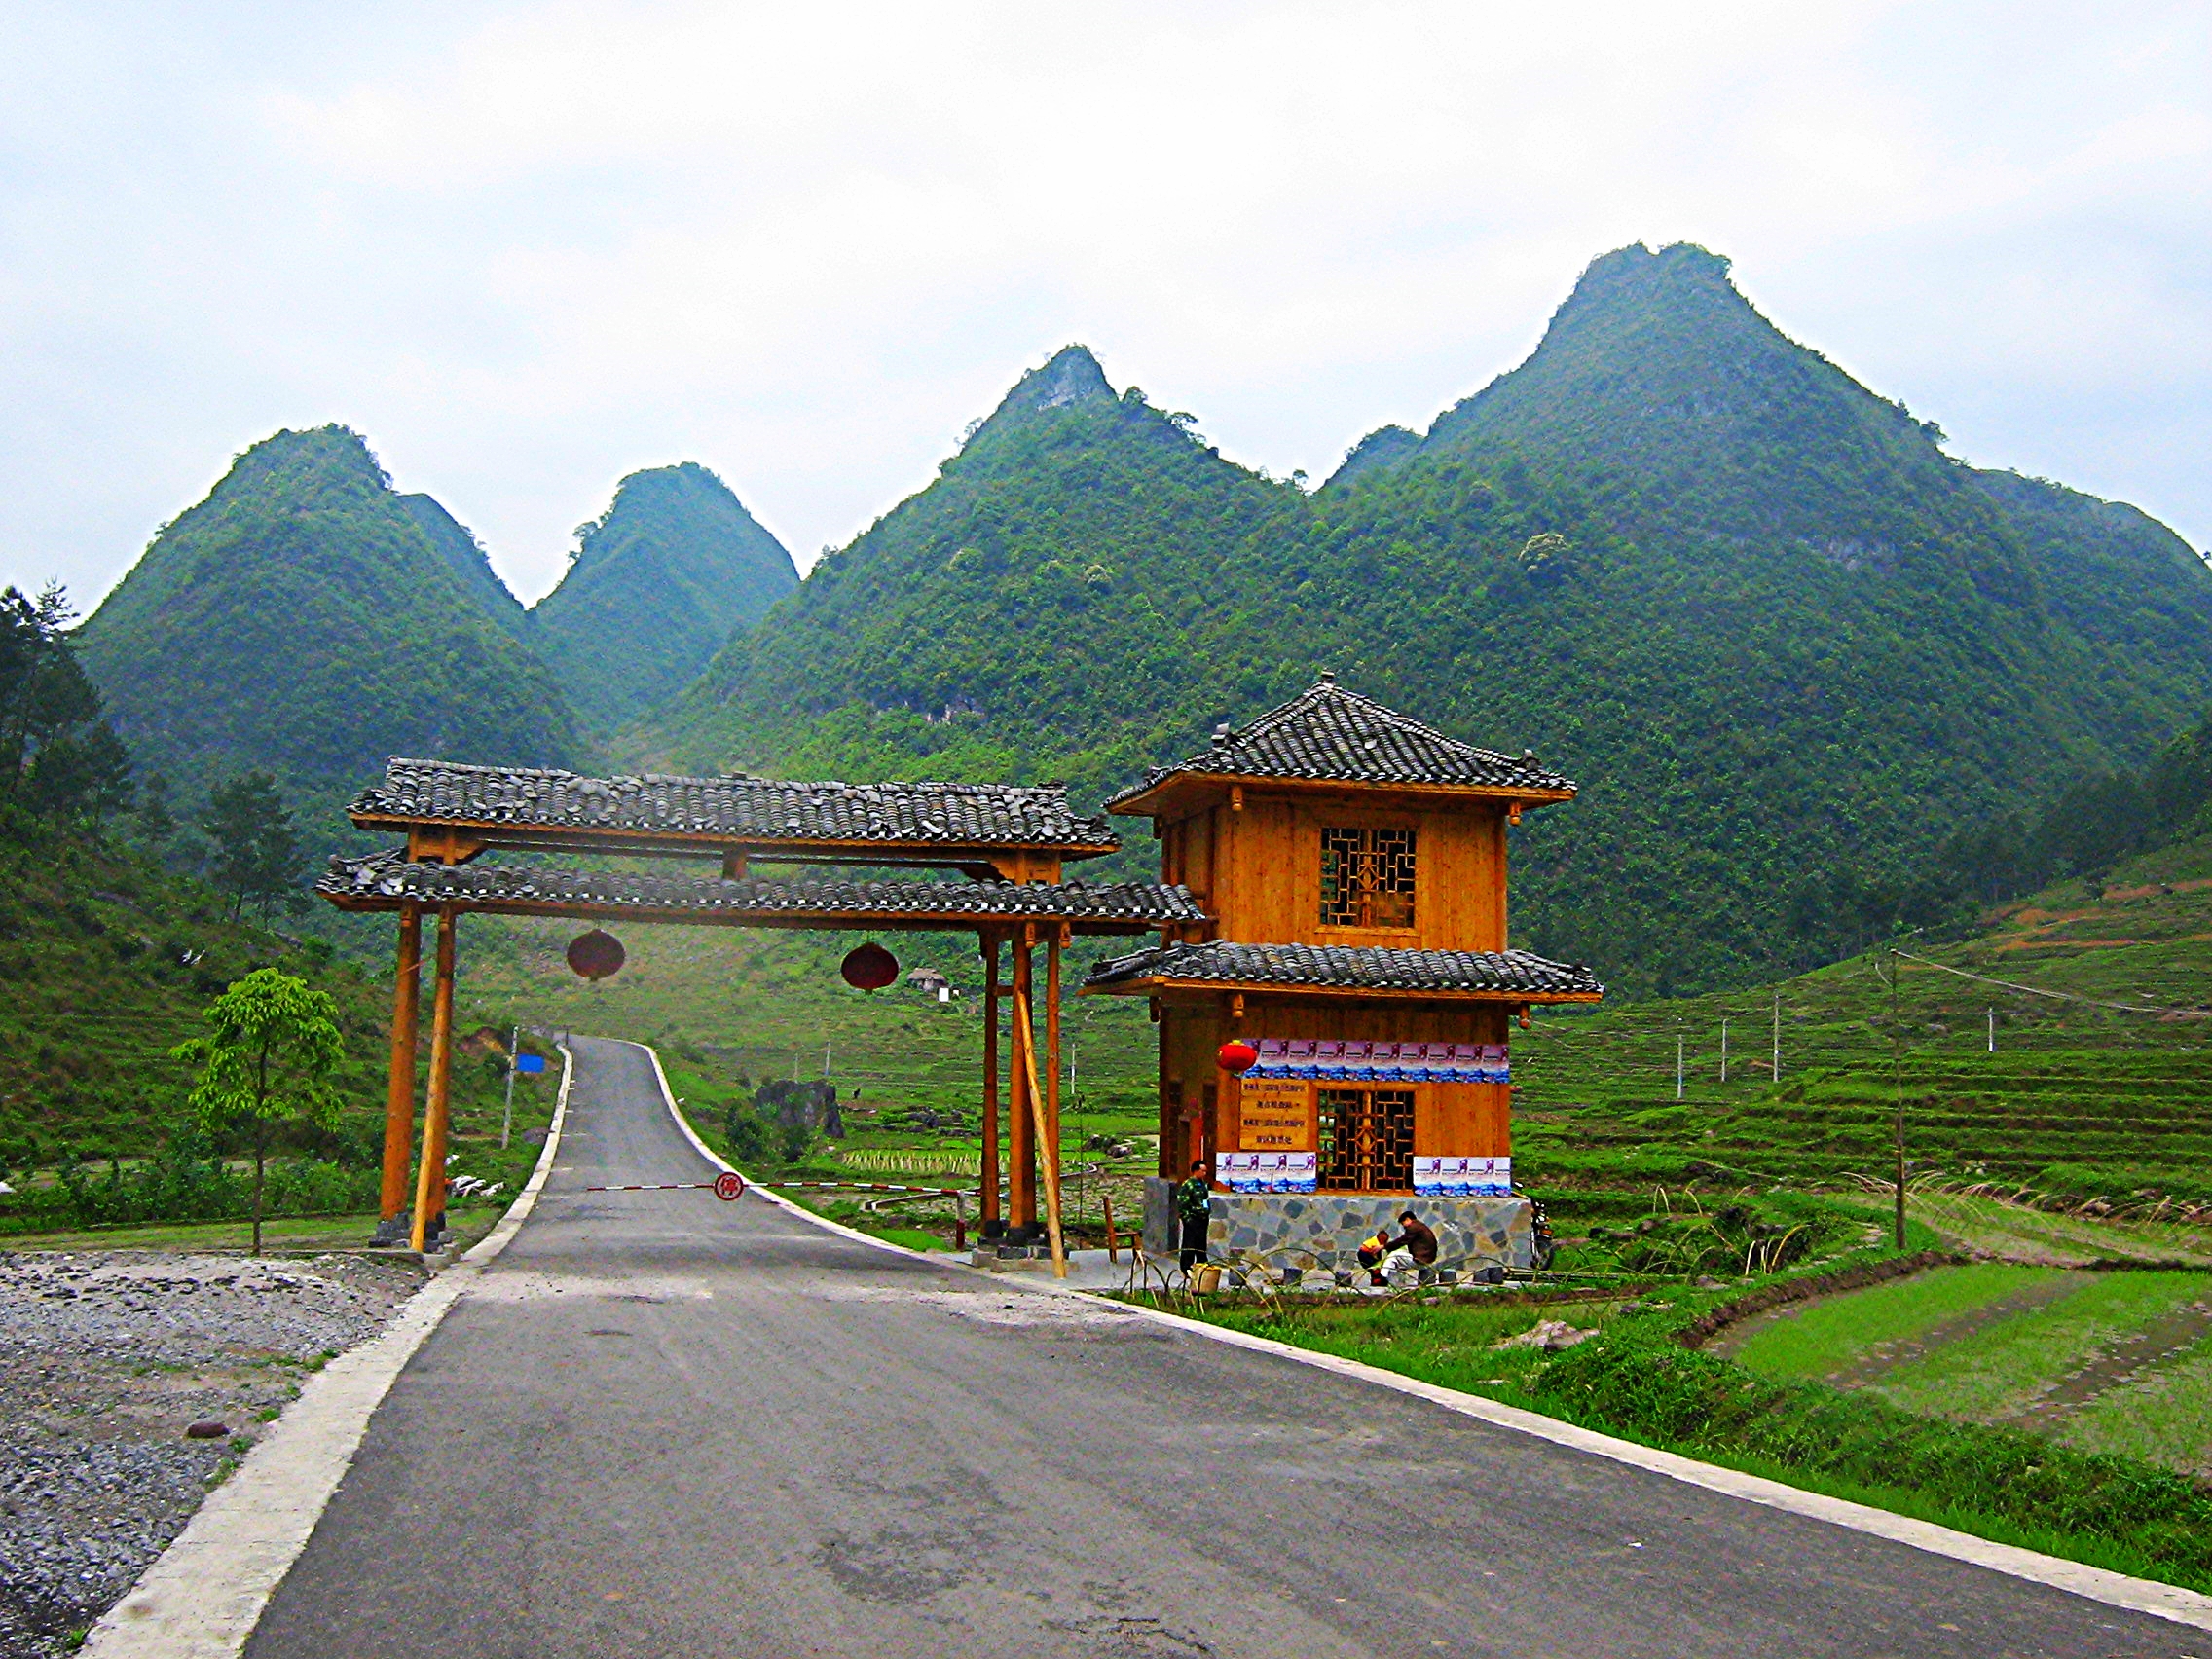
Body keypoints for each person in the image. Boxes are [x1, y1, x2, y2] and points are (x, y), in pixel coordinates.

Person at [1373, 1210, 1439, 1285]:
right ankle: (1393, 1282)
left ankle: (1381, 1278)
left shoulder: (1413, 1227)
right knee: (1396, 1260)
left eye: (1402, 1223)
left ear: (1407, 1219)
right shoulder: (1421, 1226)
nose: (1403, 1226)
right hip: (1426, 1260)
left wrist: (1383, 1246)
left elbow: (1402, 1241)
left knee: (1393, 1256)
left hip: (1420, 1261)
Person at [1175, 1158, 1212, 1272]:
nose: (1204, 1173)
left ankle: (1202, 1265)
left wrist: (1206, 1211)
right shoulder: (1188, 1185)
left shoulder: (1203, 1185)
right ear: (1196, 1171)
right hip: (1192, 1218)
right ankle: (1186, 1267)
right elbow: (1182, 1202)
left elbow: (1205, 1199)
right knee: (1189, 1243)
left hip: (1202, 1218)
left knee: (1201, 1243)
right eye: (1203, 1171)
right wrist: (1186, 1218)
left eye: (1206, 1171)